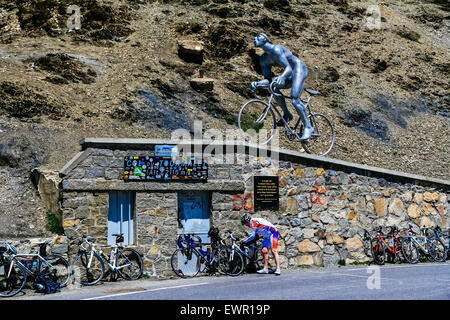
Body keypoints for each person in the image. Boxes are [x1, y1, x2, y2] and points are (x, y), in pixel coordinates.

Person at [250, 32, 313, 140]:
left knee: (295, 100)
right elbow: (267, 80)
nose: (254, 38)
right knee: (273, 87)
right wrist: (258, 83)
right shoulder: (263, 59)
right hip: (288, 74)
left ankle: (308, 127)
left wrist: (282, 77)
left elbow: (288, 68)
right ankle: (287, 114)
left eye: (258, 36)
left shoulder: (276, 50)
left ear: (265, 39)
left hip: (298, 69)